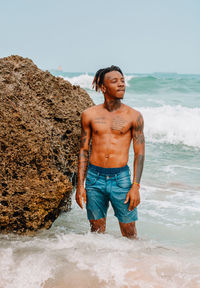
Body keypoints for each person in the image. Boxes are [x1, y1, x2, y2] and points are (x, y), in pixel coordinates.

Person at [75, 65, 145, 238]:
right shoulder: (89, 115)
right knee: (96, 232)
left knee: (129, 233)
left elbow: (139, 154)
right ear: (103, 87)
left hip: (121, 179)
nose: (121, 84)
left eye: (122, 80)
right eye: (115, 81)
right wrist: (80, 186)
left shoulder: (134, 116)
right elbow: (83, 150)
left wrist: (135, 186)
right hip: (94, 179)